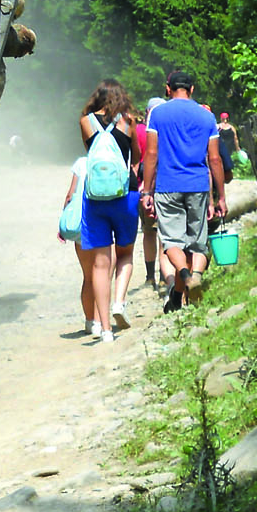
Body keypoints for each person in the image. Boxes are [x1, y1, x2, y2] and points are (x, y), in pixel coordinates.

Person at [140, 70, 225, 313]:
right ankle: (196, 275)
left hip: (168, 185)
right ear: (192, 89)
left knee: (172, 242)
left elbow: (152, 154)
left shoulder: (158, 113)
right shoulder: (206, 117)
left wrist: (147, 192)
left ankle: (186, 276)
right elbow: (215, 159)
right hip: (198, 185)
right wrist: (221, 197)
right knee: (197, 243)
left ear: (168, 89)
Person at [77, 79, 140, 340]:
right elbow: (134, 157)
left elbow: (89, 153)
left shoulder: (85, 122)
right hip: (124, 196)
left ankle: (104, 330)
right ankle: (119, 303)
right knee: (124, 254)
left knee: (100, 265)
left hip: (95, 199)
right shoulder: (129, 121)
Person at [58, 156, 102, 338]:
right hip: (102, 220)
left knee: (88, 277)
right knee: (102, 273)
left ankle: (90, 321)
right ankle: (101, 322)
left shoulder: (81, 162)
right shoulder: (112, 158)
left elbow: (70, 194)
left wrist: (63, 223)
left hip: (82, 223)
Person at [135, 96, 167, 291]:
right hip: (165, 186)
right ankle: (165, 276)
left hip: (142, 189)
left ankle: (149, 277)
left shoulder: (139, 131)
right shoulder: (168, 130)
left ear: (147, 112)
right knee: (165, 233)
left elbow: (135, 160)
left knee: (148, 232)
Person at [217, 112, 241, 184]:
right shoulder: (231, 127)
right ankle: (227, 174)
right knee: (228, 159)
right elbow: (235, 138)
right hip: (229, 146)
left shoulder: (218, 127)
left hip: (221, 146)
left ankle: (222, 174)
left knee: (221, 160)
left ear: (221, 118)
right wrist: (237, 148)